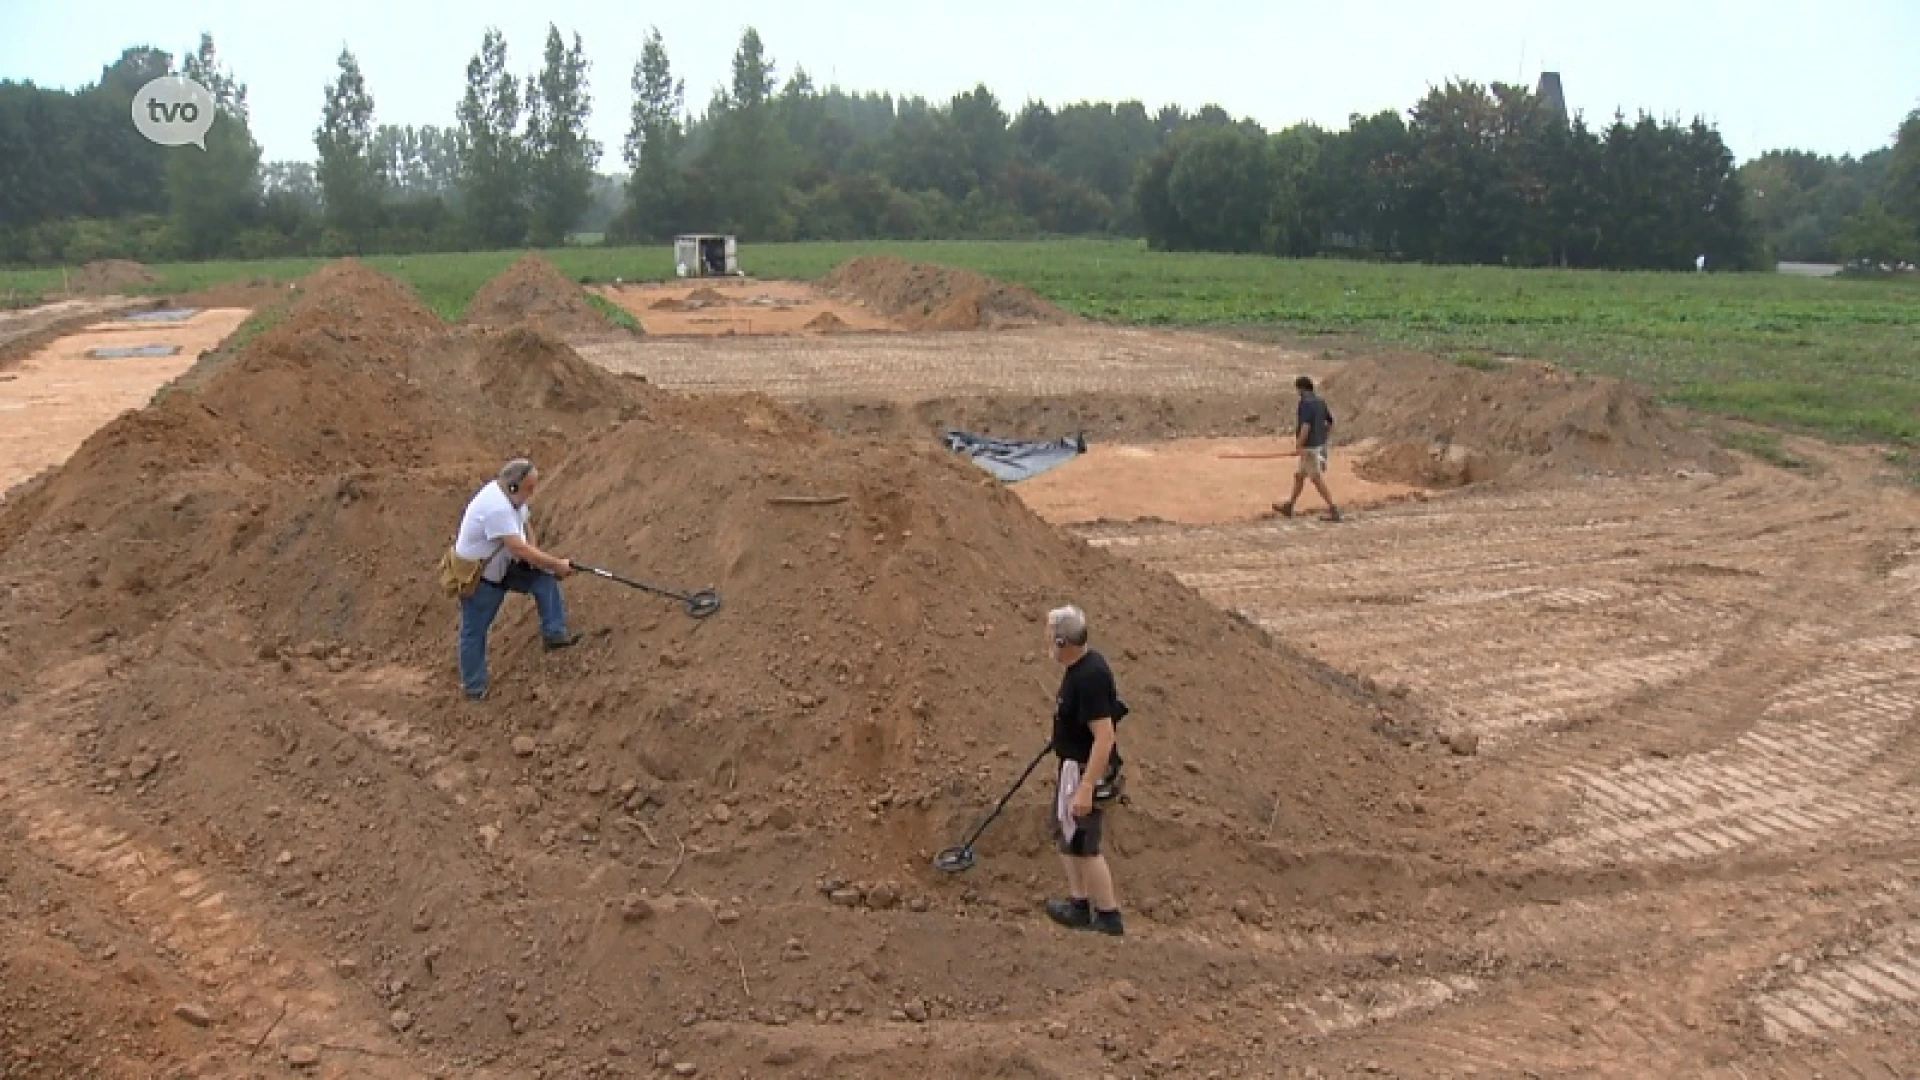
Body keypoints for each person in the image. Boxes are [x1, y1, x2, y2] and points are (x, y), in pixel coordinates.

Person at [451, 458, 581, 700]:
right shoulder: (496, 507)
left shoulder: (512, 497)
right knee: (474, 632)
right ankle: (474, 688)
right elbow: (518, 548)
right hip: (481, 579)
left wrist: (538, 559)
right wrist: (555, 563)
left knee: (544, 578)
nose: (532, 493)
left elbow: (525, 523)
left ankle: (554, 633)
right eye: (529, 488)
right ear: (513, 486)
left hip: (505, 566)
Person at [1043, 604, 1127, 937]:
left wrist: (1087, 786)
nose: (1046, 641)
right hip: (1072, 769)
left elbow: (1105, 736)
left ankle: (1108, 916)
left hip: (1084, 772)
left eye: (1050, 636)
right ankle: (1078, 904)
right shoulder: (1079, 666)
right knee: (1068, 838)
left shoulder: (1089, 676)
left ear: (1063, 642)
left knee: (1086, 846)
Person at [1275, 375, 1341, 522]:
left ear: (1302, 389)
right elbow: (1330, 423)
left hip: (1308, 448)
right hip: (1316, 445)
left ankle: (1333, 509)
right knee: (1299, 476)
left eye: (1298, 389)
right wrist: (1323, 437)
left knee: (1316, 479)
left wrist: (1298, 446)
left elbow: (1306, 426)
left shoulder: (1305, 404)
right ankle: (1289, 506)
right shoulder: (1320, 402)